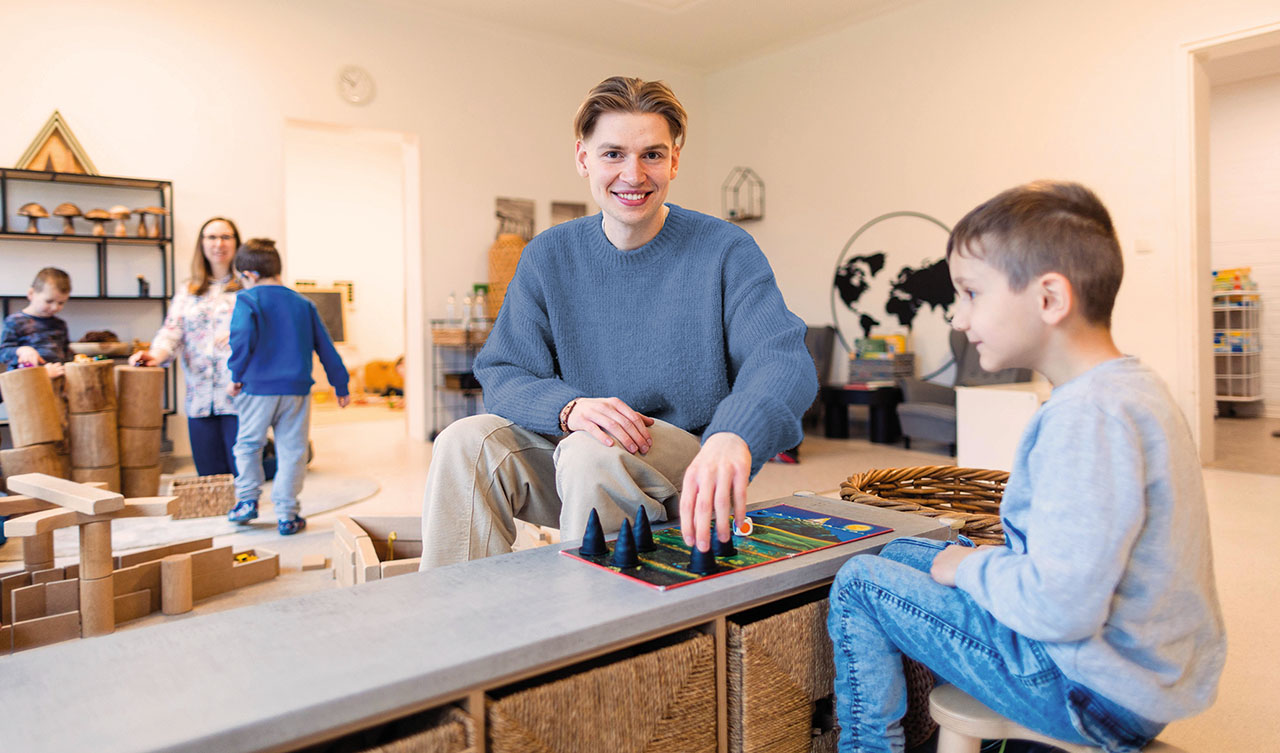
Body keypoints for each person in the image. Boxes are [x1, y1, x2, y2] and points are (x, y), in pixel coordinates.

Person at [826, 181, 1226, 753]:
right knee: (899, 554)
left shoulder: (1087, 418)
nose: (960, 320)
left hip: (1093, 688)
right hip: (1134, 669)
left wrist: (967, 570)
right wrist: (966, 564)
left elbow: (1061, 606)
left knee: (861, 582)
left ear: (1049, 300)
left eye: (970, 293)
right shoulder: (1130, 389)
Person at [419, 76, 816, 569]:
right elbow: (503, 371)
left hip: (682, 464)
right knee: (464, 442)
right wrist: (569, 409)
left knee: (591, 452)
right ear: (583, 158)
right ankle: (460, 626)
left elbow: (781, 357)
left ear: (674, 159)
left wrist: (733, 436)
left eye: (651, 154)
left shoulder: (725, 249)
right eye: (613, 154)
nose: (633, 174)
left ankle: (597, 632)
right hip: (577, 453)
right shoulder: (548, 254)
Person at [224, 238, 349, 535]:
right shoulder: (303, 304)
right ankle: (287, 514)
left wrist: (235, 374)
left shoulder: (248, 300)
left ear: (249, 275)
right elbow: (325, 347)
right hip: (296, 391)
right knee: (293, 450)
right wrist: (340, 384)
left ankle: (247, 500)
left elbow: (241, 339)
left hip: (257, 389)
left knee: (248, 445)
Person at [131, 217, 242, 476]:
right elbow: (172, 331)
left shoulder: (248, 287)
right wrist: (154, 356)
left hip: (238, 394)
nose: (219, 244)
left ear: (237, 243)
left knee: (244, 473)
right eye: (211, 237)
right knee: (209, 476)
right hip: (199, 395)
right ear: (201, 244)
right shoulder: (188, 290)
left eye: (226, 237)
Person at [1, 267, 71, 379]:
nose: (55, 307)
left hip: (57, 380)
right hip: (26, 382)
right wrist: (21, 350)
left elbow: (66, 353)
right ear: (31, 294)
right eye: (49, 301)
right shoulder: (14, 321)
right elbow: (3, 353)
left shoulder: (60, 324)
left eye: (61, 303)